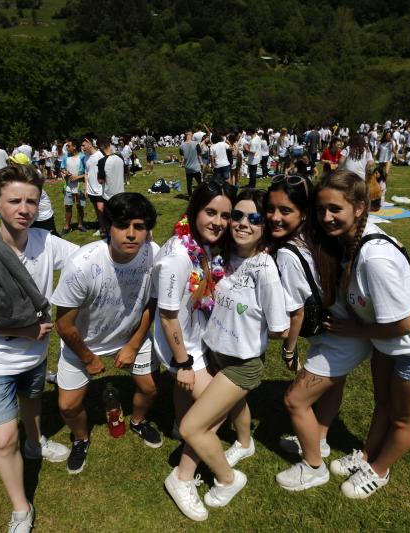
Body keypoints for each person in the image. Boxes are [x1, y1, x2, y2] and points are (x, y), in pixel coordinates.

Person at [0, 163, 78, 533]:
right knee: (4, 439)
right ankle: (21, 509)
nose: (25, 209)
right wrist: (19, 330)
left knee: (33, 401)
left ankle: (35, 443)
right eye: (15, 201)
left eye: (32, 201)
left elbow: (86, 261)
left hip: (35, 353)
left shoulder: (45, 242)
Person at [318, 171, 410, 500]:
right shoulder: (352, 242)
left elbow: (406, 324)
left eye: (335, 209)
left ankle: (380, 470)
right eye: (321, 209)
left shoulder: (374, 259)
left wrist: (354, 330)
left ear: (359, 208)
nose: (326, 217)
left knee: (403, 419)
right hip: (386, 346)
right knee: (382, 406)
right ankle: (366, 456)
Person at [179, 189, 289, 510]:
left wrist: (250, 324)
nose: (243, 223)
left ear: (265, 226)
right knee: (238, 404)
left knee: (191, 427)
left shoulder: (264, 269)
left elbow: (279, 327)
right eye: (237, 215)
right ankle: (244, 442)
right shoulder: (222, 255)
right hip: (216, 352)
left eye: (254, 218)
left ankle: (229, 480)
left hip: (243, 363)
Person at [266, 174, 372, 492]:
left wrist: (288, 350)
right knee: (334, 385)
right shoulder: (320, 236)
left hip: (337, 337)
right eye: (270, 209)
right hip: (348, 331)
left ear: (303, 213)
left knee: (295, 400)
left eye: (285, 210)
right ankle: (321, 439)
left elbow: (296, 312)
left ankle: (314, 467)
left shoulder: (286, 253)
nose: (274, 217)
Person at [51, 193, 163, 475]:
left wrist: (134, 343)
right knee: (67, 406)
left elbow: (152, 301)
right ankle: (80, 439)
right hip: (84, 343)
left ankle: (137, 421)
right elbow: (64, 324)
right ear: (108, 226)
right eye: (122, 225)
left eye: (139, 227)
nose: (131, 234)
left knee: (149, 388)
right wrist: (88, 358)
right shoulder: (81, 264)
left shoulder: (153, 254)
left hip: (131, 335)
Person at [155, 181, 235, 521]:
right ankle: (182, 476)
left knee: (191, 402)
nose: (218, 221)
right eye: (210, 212)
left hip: (195, 337)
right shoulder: (177, 256)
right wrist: (183, 362)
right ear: (194, 211)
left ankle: (178, 423)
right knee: (217, 412)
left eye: (225, 215)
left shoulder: (203, 245)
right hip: (180, 346)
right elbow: (167, 314)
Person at [82, 135, 106, 236]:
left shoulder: (100, 155)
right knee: (97, 210)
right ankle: (102, 228)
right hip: (91, 189)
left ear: (90, 144)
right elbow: (86, 174)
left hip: (101, 188)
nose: (82, 147)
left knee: (101, 209)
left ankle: (106, 229)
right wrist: (86, 188)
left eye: (84, 145)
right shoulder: (85, 158)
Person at [180, 129, 203, 196]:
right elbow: (199, 154)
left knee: (189, 183)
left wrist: (182, 163)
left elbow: (182, 157)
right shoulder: (196, 143)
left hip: (188, 168)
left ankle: (190, 196)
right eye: (192, 134)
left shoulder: (181, 146)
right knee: (200, 183)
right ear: (189, 134)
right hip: (196, 167)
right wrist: (201, 163)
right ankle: (201, 195)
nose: (192, 135)